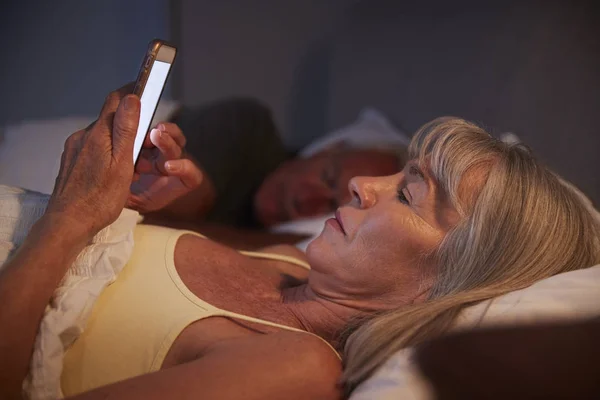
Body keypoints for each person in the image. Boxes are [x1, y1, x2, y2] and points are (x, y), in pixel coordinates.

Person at [0, 86, 598, 400]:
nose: (365, 186)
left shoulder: (297, 368)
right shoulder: (288, 261)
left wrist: (68, 218)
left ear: (452, 279)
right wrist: (161, 195)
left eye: (410, 195)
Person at [137, 99, 404, 232]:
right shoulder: (248, 130)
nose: (308, 200)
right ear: (327, 149)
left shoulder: (291, 254)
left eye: (330, 207)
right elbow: (170, 197)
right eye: (328, 178)